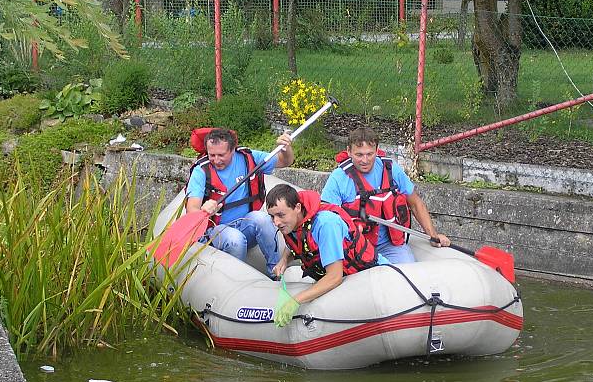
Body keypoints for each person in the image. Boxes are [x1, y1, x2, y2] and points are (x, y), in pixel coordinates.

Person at [320, 127, 450, 264]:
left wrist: (433, 235)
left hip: (388, 246)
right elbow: (326, 218)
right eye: (359, 155)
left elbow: (416, 203)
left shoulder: (390, 169)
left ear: (377, 150)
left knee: (408, 271)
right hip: (354, 247)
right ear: (349, 152)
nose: (365, 160)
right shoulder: (338, 178)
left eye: (370, 154)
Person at [266, 184, 390, 325]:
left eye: (281, 215)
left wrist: (295, 300)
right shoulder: (292, 224)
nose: (276, 222)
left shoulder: (326, 224)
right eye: (272, 217)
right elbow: (296, 244)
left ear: (298, 208)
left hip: (371, 276)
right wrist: (284, 260)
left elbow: (334, 277)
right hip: (345, 280)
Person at [185, 128, 294, 276]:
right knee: (235, 239)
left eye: (221, 155)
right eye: (212, 155)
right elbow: (192, 210)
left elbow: (284, 161)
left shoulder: (247, 157)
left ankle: (275, 272)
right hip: (215, 230)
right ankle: (238, 280)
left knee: (262, 219)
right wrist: (204, 209)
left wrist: (286, 148)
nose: (216, 160)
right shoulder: (201, 171)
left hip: (244, 224)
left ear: (232, 150)